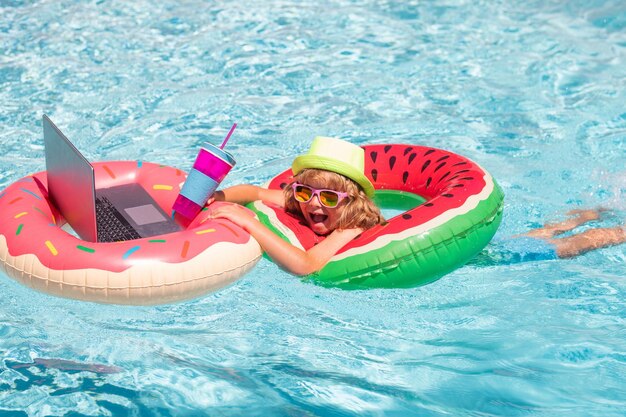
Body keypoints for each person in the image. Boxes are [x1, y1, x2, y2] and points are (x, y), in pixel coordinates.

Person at [207, 136, 384, 275]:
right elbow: (256, 192)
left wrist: (249, 223)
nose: (313, 202)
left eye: (329, 197)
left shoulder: (352, 227)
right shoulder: (300, 201)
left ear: (351, 201)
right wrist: (218, 196)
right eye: (305, 192)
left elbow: (306, 266)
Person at [476, 208, 626, 265]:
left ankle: (618, 229)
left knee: (573, 246)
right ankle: (588, 215)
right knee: (542, 233)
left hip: (499, 252)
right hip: (493, 247)